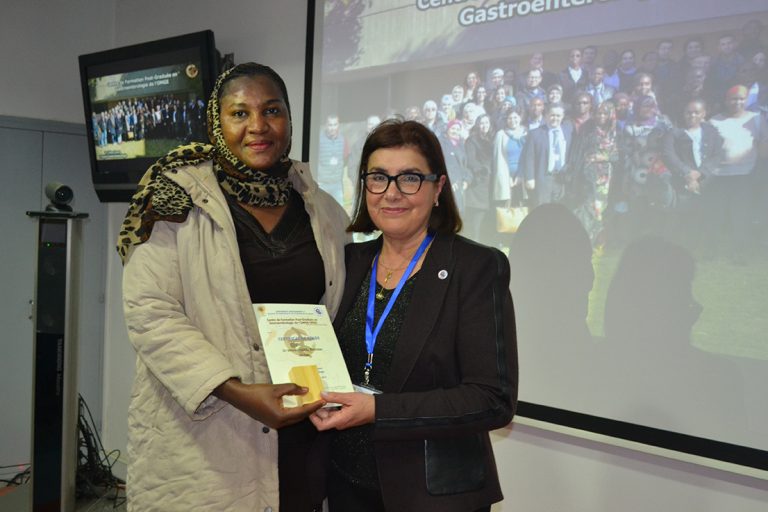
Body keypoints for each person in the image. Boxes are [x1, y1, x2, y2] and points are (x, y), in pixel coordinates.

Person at [117, 62, 349, 512]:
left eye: (272, 110)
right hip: (207, 433)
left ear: (289, 120)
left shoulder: (322, 209)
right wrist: (236, 390)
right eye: (239, 113)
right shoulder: (173, 199)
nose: (258, 126)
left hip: (302, 432)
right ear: (216, 123)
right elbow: (150, 312)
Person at [311, 118, 518, 511]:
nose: (391, 193)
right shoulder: (349, 261)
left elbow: (493, 399)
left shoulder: (474, 268)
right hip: (346, 488)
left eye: (410, 178)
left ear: (438, 188)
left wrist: (378, 411)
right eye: (378, 178)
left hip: (433, 496)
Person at [318, 114, 348, 205]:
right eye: (330, 125)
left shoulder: (343, 140)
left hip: (337, 184)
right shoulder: (319, 140)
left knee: (339, 211)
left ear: (338, 125)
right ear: (326, 125)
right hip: (322, 184)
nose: (332, 128)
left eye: (335, 124)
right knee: (320, 211)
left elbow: (345, 160)